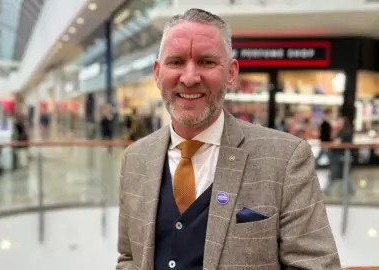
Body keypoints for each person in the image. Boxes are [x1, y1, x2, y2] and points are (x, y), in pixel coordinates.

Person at [116, 8, 340, 270]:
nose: (189, 78)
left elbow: (316, 265)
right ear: (157, 73)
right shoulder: (135, 159)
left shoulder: (286, 159)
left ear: (231, 73)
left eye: (207, 62)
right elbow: (129, 258)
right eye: (175, 62)